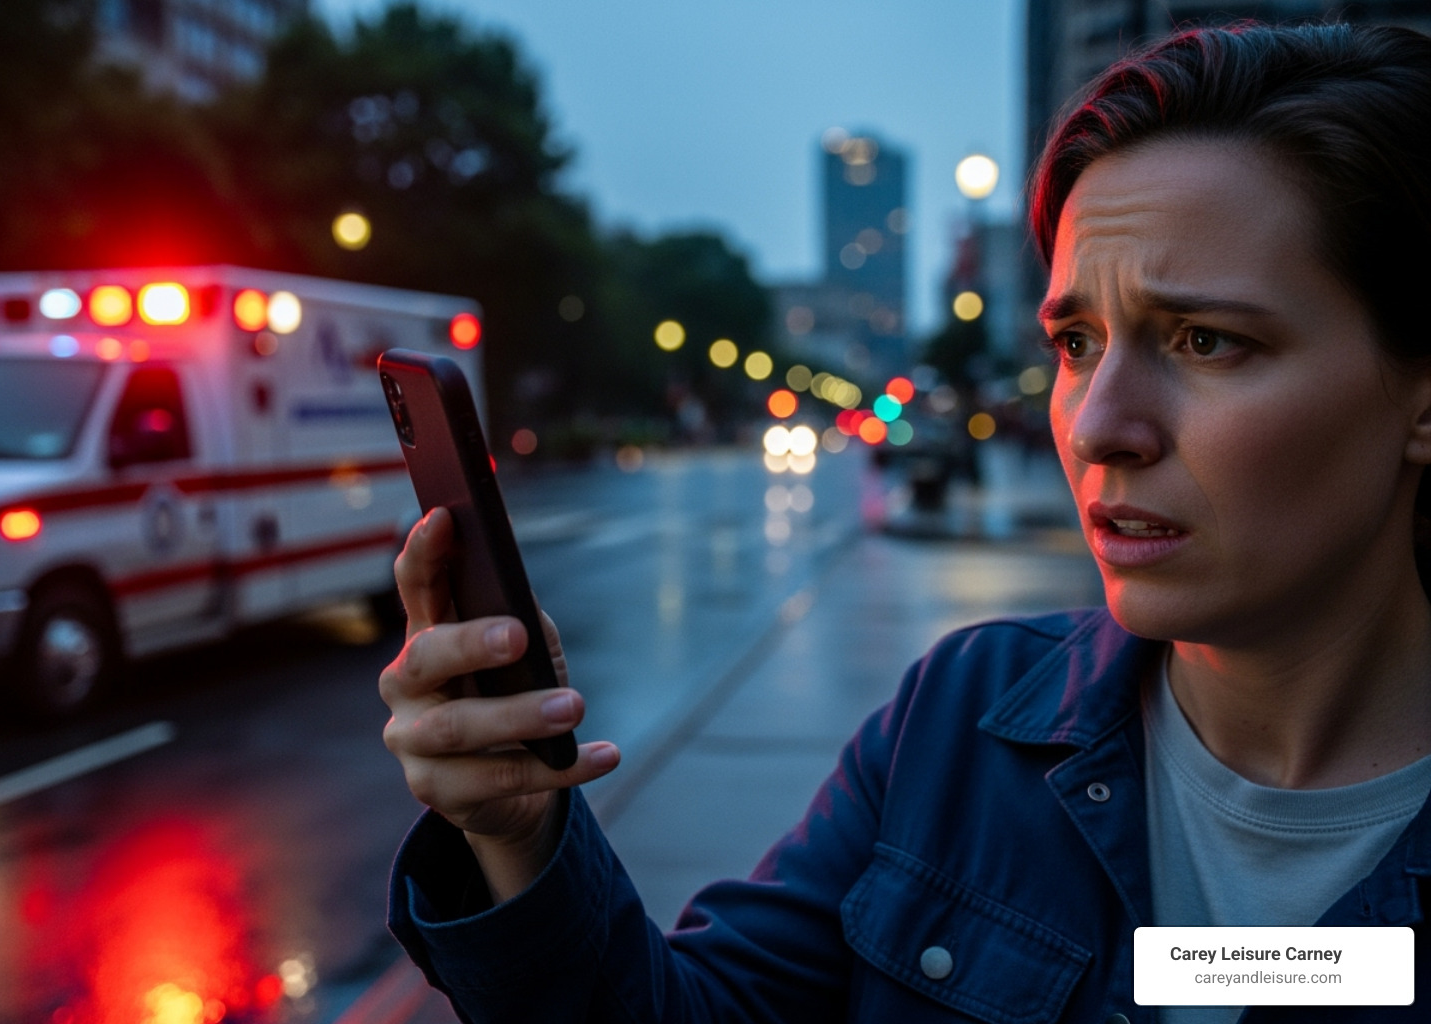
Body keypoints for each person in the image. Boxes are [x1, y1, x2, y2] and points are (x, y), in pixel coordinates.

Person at [377, 21, 1431, 1023]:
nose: (1098, 425)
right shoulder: (965, 721)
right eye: (1076, 344)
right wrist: (521, 829)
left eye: (1205, 340)